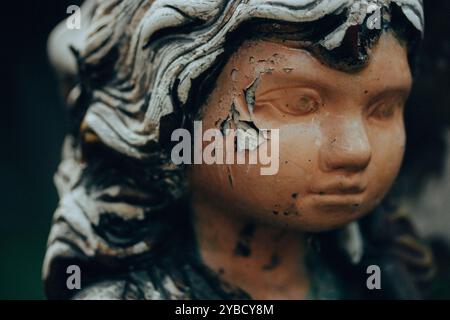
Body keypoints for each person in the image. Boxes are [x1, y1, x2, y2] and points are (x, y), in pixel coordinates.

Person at [43, 0, 434, 299]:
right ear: (170, 113)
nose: (356, 150)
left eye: (382, 109)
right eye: (299, 103)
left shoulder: (385, 277)